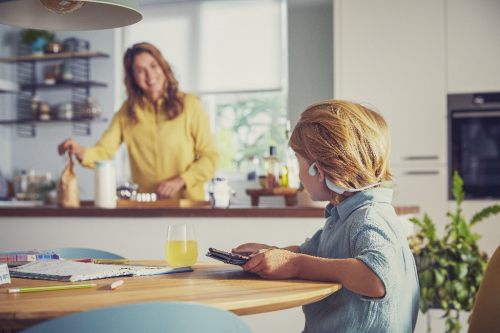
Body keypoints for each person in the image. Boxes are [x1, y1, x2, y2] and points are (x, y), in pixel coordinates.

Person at [232, 100, 419, 332]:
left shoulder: (370, 216)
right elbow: (313, 254)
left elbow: (377, 279)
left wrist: (296, 265)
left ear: (317, 171)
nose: (299, 174)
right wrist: (272, 253)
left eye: (298, 162)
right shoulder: (343, 215)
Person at [58, 42, 219, 200]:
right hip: (146, 205)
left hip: (188, 203)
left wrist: (182, 180)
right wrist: (80, 151)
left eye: (153, 66)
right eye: (140, 70)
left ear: (163, 67)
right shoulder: (126, 112)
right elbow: (103, 152)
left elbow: (210, 157)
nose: (150, 75)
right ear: (133, 77)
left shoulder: (190, 105)